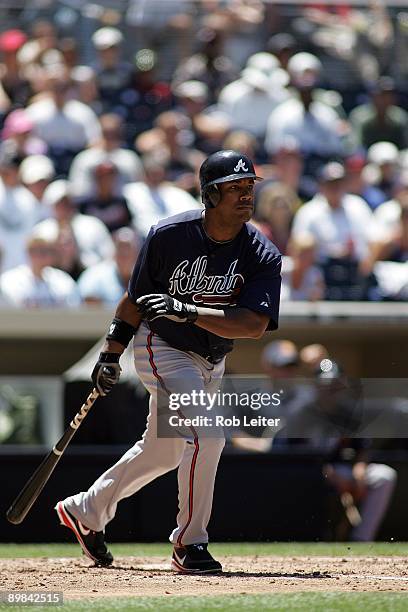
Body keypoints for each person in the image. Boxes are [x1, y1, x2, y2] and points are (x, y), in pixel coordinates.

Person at [55, 150, 282, 573]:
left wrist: (189, 309)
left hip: (212, 357)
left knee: (163, 452)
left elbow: (253, 324)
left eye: (249, 186)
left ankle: (85, 511)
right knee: (209, 435)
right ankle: (189, 543)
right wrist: (110, 354)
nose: (245, 195)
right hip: (165, 347)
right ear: (210, 195)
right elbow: (135, 300)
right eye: (234, 187)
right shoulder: (168, 234)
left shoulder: (261, 252)